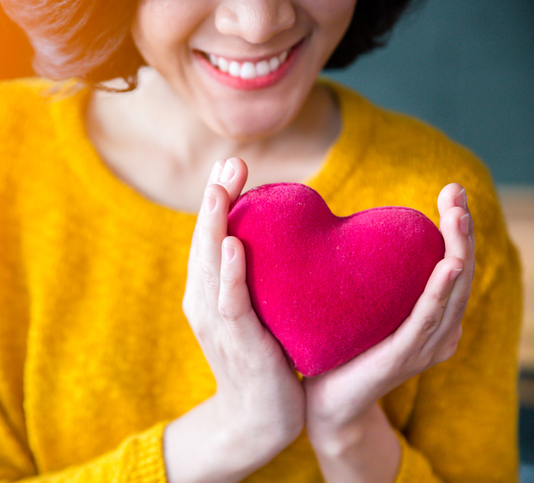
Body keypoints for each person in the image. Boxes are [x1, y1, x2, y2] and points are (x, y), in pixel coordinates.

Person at [0, 0, 522, 482]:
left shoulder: (443, 208)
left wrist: (350, 432)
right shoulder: (12, 154)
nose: (258, 23)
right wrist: (235, 431)